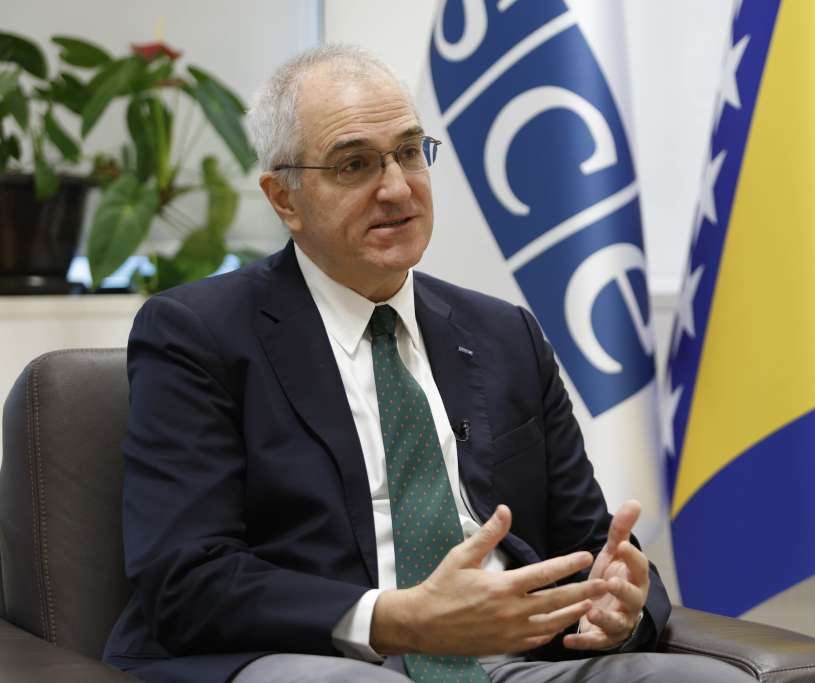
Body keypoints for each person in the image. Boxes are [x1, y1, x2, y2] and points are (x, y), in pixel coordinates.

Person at [102, 45, 752, 683]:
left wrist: (620, 605)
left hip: (511, 662)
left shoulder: (505, 334)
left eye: (410, 152)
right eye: (355, 164)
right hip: (325, 659)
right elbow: (186, 577)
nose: (396, 188)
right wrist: (397, 618)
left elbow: (590, 545)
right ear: (284, 199)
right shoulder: (199, 334)